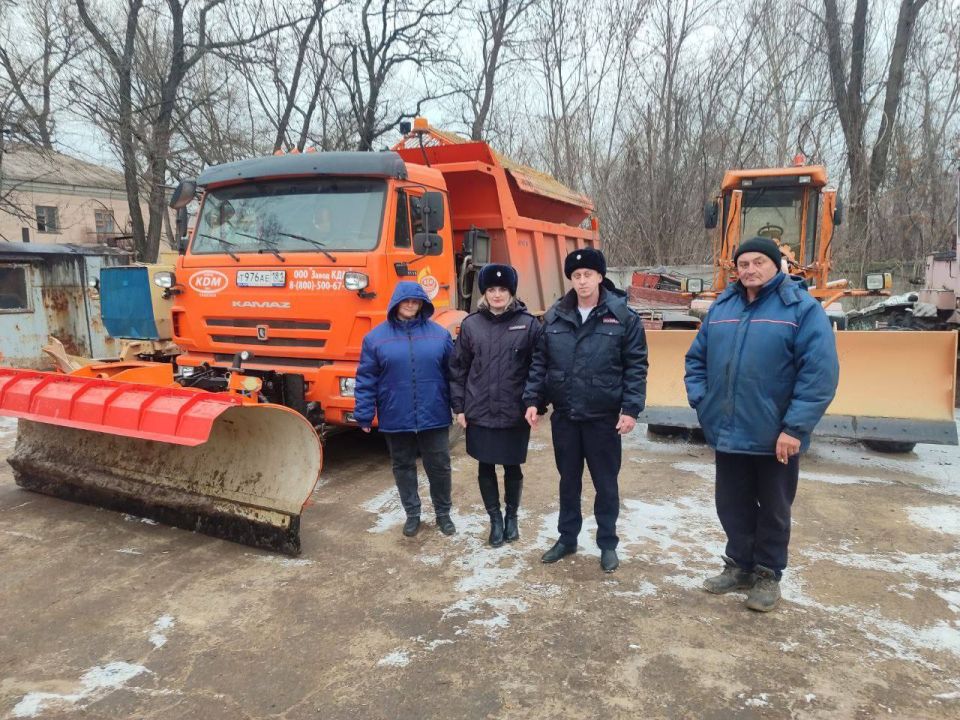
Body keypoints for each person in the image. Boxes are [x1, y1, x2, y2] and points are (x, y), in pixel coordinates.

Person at [684, 235, 839, 612]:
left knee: (773, 509)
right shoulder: (722, 307)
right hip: (728, 430)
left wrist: (794, 429)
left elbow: (819, 374)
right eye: (743, 264)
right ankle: (740, 566)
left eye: (759, 262)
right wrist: (703, 402)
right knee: (731, 504)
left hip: (775, 435)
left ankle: (768, 574)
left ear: (776, 265)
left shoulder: (801, 309)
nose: (750, 269)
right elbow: (696, 360)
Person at [523, 247, 648, 573]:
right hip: (566, 417)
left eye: (588, 275)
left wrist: (631, 408)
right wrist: (533, 400)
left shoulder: (622, 317)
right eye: (576, 276)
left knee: (606, 484)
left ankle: (607, 543)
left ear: (600, 277)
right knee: (568, 482)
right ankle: (567, 538)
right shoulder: (554, 317)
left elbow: (636, 365)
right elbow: (540, 363)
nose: (582, 281)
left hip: (603, 419)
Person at [449, 264, 542, 547]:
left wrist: (534, 402)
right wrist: (459, 407)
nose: (497, 294)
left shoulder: (528, 324)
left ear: (511, 292)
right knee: (485, 466)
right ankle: (495, 520)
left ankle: (512, 517)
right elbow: (458, 368)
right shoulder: (471, 325)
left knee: (512, 467)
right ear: (484, 293)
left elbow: (539, 368)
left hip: (514, 411)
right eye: (491, 289)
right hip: (480, 410)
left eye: (502, 289)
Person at [354, 281, 456, 538]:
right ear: (396, 303)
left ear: (422, 303)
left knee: (440, 466)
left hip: (434, 414)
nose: (411, 305)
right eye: (406, 300)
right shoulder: (375, 339)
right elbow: (366, 378)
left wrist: (461, 407)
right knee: (403, 466)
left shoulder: (440, 336)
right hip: (396, 414)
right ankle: (412, 514)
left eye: (415, 300)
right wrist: (364, 413)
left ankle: (443, 514)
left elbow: (453, 375)